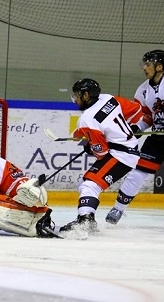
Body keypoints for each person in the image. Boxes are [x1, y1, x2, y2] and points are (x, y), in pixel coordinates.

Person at [60, 78, 141, 236]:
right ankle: (86, 218)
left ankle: (85, 221)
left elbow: (101, 152)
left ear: (86, 95)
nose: (74, 99)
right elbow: (136, 110)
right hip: (129, 149)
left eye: (77, 95)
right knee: (89, 183)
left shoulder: (86, 119)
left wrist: (90, 146)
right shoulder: (108, 98)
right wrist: (125, 129)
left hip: (121, 154)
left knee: (89, 185)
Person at [106, 50, 164, 224]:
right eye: (144, 64)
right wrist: (137, 127)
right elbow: (146, 116)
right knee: (138, 172)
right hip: (159, 134)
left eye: (148, 64)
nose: (144, 67)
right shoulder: (143, 90)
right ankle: (118, 209)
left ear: (159, 67)